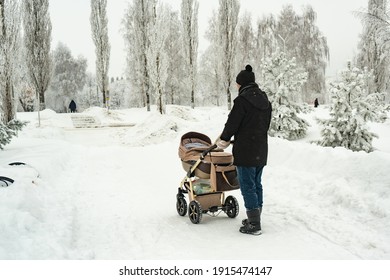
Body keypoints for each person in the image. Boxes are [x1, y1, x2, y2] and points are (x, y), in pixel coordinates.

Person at [216, 65, 272, 235]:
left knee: (247, 185)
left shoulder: (242, 101)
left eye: (237, 84)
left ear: (241, 84)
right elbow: (263, 125)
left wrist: (223, 140)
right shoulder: (265, 100)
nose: (236, 87)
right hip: (261, 149)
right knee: (256, 184)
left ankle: (254, 224)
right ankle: (256, 216)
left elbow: (232, 123)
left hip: (245, 150)